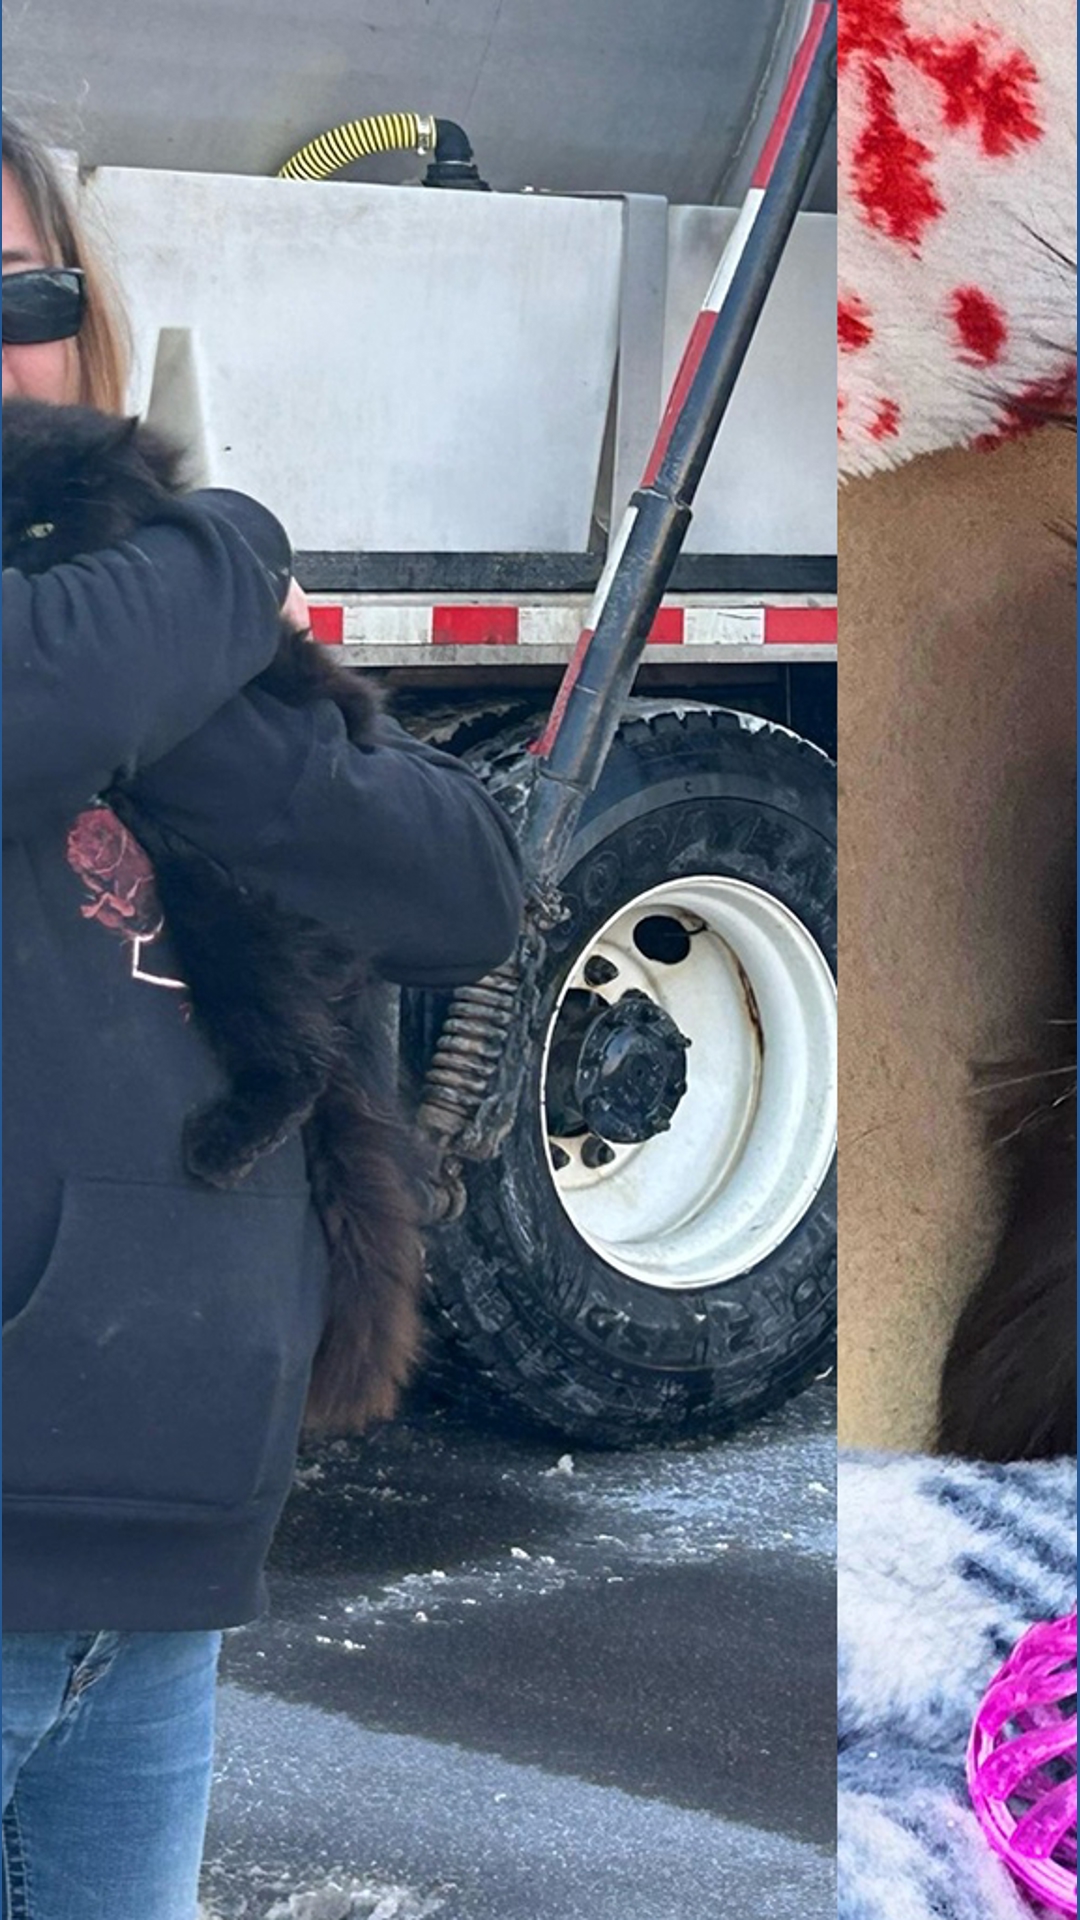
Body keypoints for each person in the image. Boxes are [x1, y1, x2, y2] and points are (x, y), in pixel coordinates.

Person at [1, 111, 524, 1920]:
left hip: (165, 1551)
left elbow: (461, 884)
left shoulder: (141, 628)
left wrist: (166, 680)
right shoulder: (184, 590)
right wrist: (223, 557)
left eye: (20, 292)